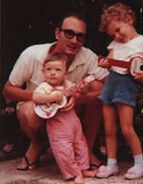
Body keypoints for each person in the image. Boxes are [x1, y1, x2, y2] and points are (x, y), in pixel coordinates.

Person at [3, 12, 109, 171]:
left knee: (98, 96)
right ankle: (38, 144)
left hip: (69, 112)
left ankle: (85, 150)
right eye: (69, 33)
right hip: (38, 110)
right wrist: (44, 98)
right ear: (57, 33)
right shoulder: (32, 54)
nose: (74, 41)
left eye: (80, 36)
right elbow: (8, 90)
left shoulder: (88, 57)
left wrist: (78, 97)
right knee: (27, 111)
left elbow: (108, 86)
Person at [96, 3, 143, 180]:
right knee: (109, 129)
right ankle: (112, 164)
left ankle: (139, 165)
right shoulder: (115, 43)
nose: (116, 35)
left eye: (118, 30)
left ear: (128, 19)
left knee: (127, 128)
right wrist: (106, 63)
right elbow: (112, 62)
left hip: (125, 86)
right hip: (111, 83)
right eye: (113, 33)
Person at [33, 53, 97, 183]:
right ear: (43, 72)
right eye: (49, 69)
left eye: (57, 70)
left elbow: (79, 92)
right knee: (63, 149)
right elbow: (36, 97)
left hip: (73, 121)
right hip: (57, 124)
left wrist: (83, 89)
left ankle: (83, 168)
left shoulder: (68, 84)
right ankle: (73, 173)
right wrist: (53, 97)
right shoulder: (45, 87)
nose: (52, 73)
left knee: (80, 144)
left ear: (66, 73)